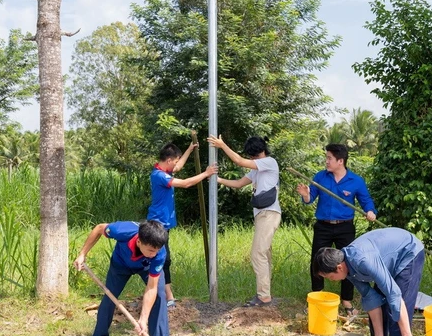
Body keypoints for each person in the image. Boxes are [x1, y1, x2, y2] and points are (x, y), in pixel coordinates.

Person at [314, 227, 424, 336]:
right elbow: (371, 298)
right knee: (379, 298)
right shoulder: (347, 267)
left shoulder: (362, 261)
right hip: (386, 260)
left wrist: (406, 335)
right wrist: (378, 335)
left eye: (330, 277)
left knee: (394, 307)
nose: (331, 280)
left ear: (338, 267)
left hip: (408, 252)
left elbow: (394, 295)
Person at [73, 220, 177, 336]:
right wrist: (82, 254)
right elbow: (98, 228)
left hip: (147, 267)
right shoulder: (122, 230)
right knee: (110, 296)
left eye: (157, 250)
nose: (154, 253)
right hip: (120, 264)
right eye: (151, 250)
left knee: (159, 294)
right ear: (139, 241)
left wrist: (143, 319)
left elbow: (151, 288)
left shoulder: (158, 254)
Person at [296, 143, 377, 316]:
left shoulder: (356, 181)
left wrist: (370, 211)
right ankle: (316, 297)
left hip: (345, 227)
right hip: (323, 226)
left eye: (329, 158)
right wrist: (305, 195)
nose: (326, 161)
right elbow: (310, 199)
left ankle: (346, 300)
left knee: (347, 263)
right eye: (326, 158)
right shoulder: (320, 177)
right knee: (317, 261)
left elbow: (366, 201)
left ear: (340, 161)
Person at [208, 134, 281, 307]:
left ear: (260, 152)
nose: (251, 159)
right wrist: (217, 179)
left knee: (257, 254)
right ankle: (265, 293)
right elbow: (240, 183)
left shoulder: (269, 162)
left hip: (269, 214)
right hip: (263, 215)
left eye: (253, 155)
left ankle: (264, 296)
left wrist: (222, 145)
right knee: (264, 254)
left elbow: (239, 161)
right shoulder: (257, 169)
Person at [148, 143, 218, 308]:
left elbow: (178, 167)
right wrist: (206, 173)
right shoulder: (159, 175)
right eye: (176, 160)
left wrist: (189, 150)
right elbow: (186, 183)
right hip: (158, 224)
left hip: (163, 223)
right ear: (169, 160)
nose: (177, 164)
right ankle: (167, 297)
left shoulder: (164, 170)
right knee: (163, 259)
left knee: (163, 259)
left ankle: (162, 295)